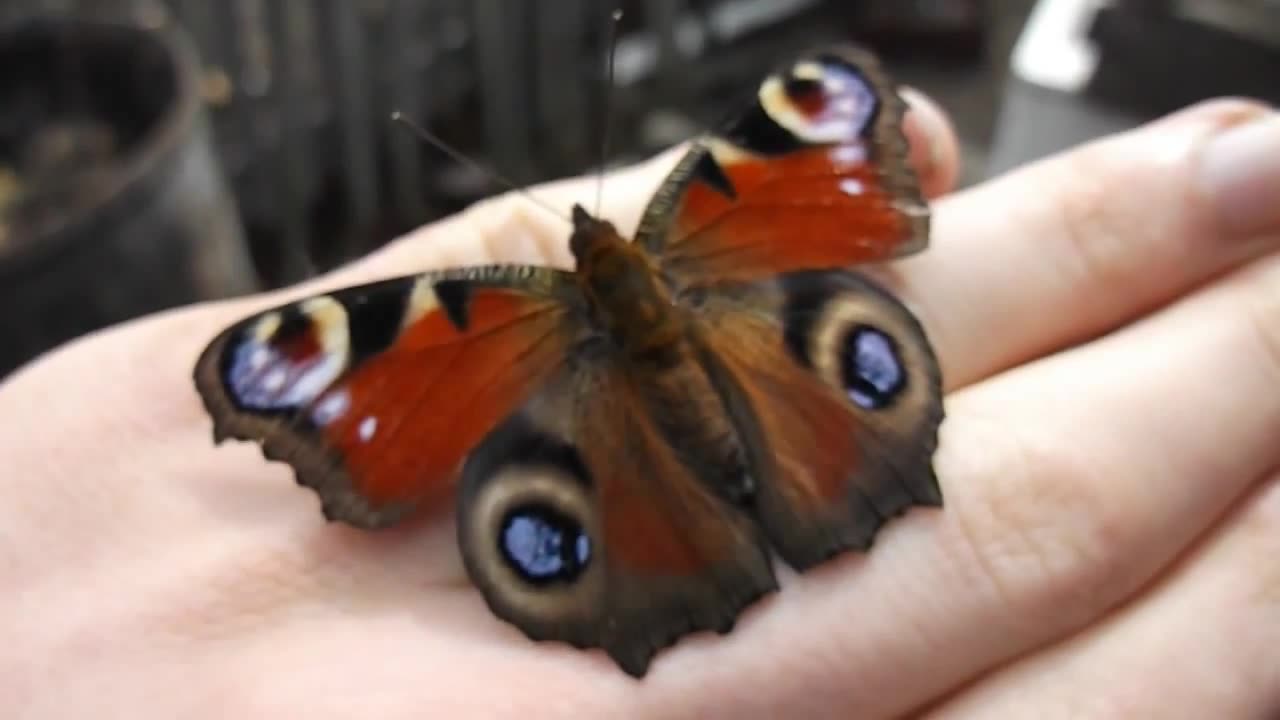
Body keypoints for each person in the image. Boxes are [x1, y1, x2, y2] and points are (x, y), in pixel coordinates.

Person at [2, 88, 1277, 719]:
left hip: (609, 432)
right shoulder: (694, 224)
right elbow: (809, 122)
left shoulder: (485, 311)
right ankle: (787, 495)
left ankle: (737, 524)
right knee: (832, 337)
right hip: (748, 357)